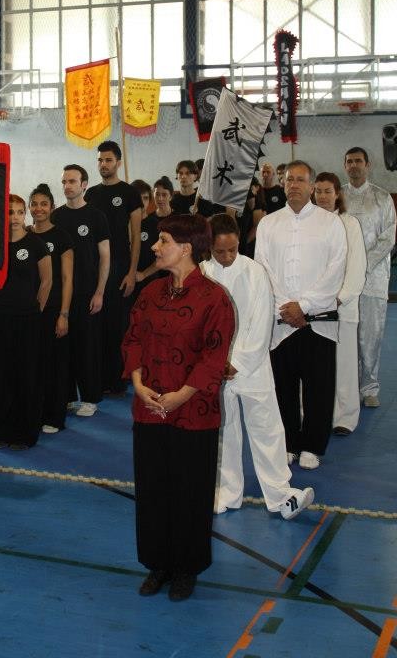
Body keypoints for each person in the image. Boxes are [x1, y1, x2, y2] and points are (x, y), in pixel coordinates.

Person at [122, 214, 234, 601]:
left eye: (163, 240)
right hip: (149, 409)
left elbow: (213, 357)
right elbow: (133, 339)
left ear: (186, 249)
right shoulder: (151, 293)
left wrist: (181, 395)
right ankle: (158, 563)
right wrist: (138, 384)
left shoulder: (214, 298)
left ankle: (187, 568)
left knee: (190, 490)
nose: (155, 247)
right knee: (153, 488)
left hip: (193, 412)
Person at [201, 215, 314, 521]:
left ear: (240, 242)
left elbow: (262, 322)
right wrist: (215, 361)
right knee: (224, 431)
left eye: (232, 249)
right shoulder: (201, 274)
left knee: (267, 430)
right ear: (208, 246)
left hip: (252, 365)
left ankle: (281, 496)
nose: (227, 256)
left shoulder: (255, 272)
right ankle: (226, 492)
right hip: (215, 367)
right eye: (220, 251)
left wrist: (237, 362)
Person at [255, 161, 347, 470]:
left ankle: (312, 446)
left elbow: (336, 270)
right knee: (283, 386)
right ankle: (289, 443)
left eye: (300, 180)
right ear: (282, 184)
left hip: (317, 319)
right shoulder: (269, 223)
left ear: (311, 186)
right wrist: (287, 306)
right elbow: (262, 268)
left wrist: (304, 306)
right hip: (282, 319)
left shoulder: (330, 223)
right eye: (289, 179)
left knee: (319, 387)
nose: (294, 184)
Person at [0, 194, 52, 449]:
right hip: (1, 317)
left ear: (24, 214)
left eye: (18, 212)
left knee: (26, 375)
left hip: (28, 319)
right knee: (1, 374)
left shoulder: (36, 244)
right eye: (8, 212)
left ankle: (25, 433)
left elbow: (46, 281)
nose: (13, 217)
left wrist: (35, 309)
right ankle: (1, 431)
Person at [52, 165, 110, 417]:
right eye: (64, 181)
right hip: (61, 293)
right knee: (62, 347)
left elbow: (105, 257)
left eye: (72, 181)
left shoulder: (97, 217)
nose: (67, 186)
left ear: (84, 184)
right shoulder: (56, 217)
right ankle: (65, 396)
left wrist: (100, 292)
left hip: (87, 292)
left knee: (87, 347)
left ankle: (90, 397)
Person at [85, 141, 142, 395]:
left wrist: (132, 273)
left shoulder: (130, 193)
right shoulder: (91, 194)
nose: (103, 164)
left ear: (118, 162)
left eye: (108, 160)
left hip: (120, 266)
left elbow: (136, 236)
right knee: (95, 324)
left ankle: (118, 379)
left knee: (117, 325)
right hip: (94, 268)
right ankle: (98, 378)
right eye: (100, 160)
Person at [342, 147, 396, 408]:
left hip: (374, 277)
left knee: (371, 334)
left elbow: (389, 237)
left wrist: (364, 264)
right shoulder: (337, 196)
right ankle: (349, 386)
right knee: (347, 333)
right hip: (343, 279)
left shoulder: (382, 197)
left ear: (368, 164)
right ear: (345, 166)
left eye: (358, 161)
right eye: (349, 162)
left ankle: (370, 387)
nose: (354, 165)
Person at [313, 173, 366, 436]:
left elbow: (356, 267)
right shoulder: (308, 224)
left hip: (342, 306)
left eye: (328, 191)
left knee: (344, 364)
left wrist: (340, 298)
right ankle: (316, 414)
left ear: (337, 194)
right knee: (316, 367)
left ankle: (345, 417)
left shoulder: (350, 224)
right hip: (314, 309)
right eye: (318, 191)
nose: (323, 196)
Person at [29, 183, 74, 434]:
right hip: (31, 309)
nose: (39, 209)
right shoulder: (25, 235)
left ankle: (55, 417)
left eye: (44, 204)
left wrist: (63, 314)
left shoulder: (61, 237)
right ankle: (36, 412)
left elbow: (67, 279)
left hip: (55, 308)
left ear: (52, 207)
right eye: (34, 204)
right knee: (35, 363)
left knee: (55, 364)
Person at [134, 176, 174, 289]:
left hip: (150, 280)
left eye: (145, 198)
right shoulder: (123, 225)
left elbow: (164, 255)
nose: (141, 202)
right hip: (126, 280)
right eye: (137, 198)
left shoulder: (156, 225)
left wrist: (144, 274)